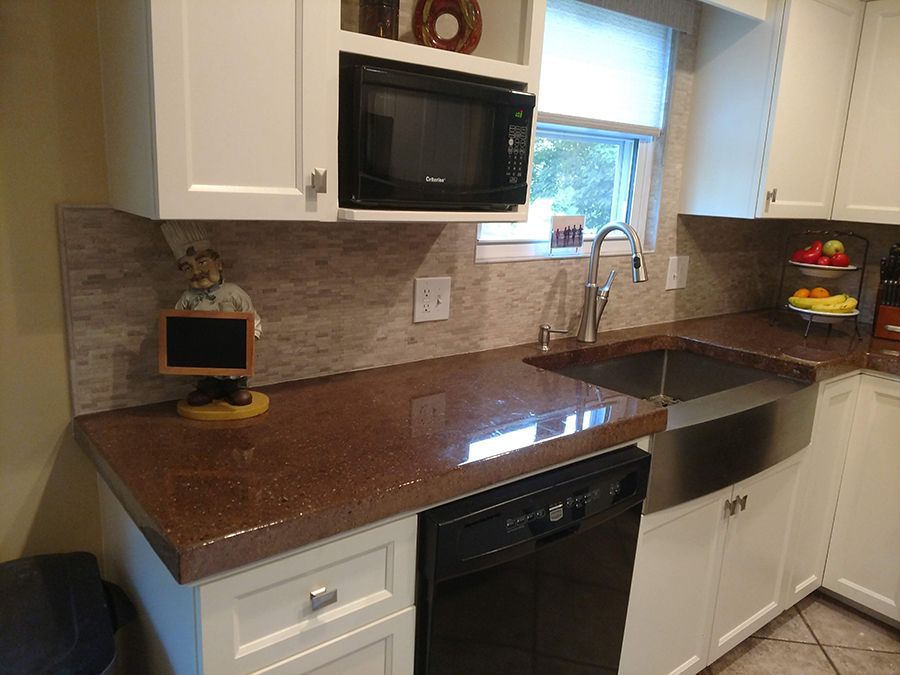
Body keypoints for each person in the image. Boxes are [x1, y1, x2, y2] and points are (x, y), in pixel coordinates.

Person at [160, 221, 261, 406]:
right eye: (187, 267)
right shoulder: (187, 299)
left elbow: (254, 322)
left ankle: (235, 387)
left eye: (202, 262)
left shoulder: (234, 293)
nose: (197, 271)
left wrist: (246, 341)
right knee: (203, 386)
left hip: (232, 361)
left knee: (240, 396)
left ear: (219, 264)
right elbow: (177, 325)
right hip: (205, 360)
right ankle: (209, 388)